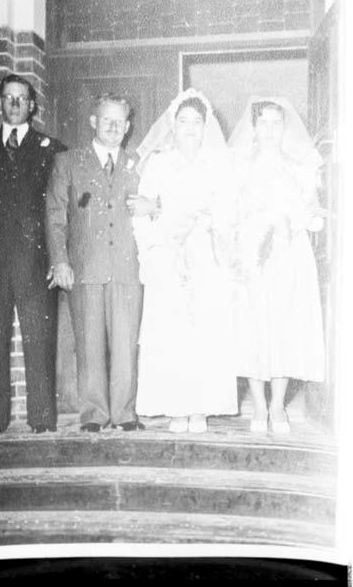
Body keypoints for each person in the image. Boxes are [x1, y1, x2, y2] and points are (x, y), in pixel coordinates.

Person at [0, 73, 66, 437]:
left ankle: (42, 420)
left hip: (37, 263)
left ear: (32, 104)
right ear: (0, 102)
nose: (15, 104)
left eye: (22, 98)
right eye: (9, 98)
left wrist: (58, 257)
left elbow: (58, 209)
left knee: (39, 340)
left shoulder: (51, 148)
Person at [131, 88, 239, 434]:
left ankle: (201, 409)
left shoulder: (218, 165)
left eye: (196, 121)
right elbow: (140, 211)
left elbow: (227, 212)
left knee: (204, 330)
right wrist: (153, 248)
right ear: (172, 126)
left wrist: (217, 238)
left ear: (205, 126)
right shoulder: (160, 163)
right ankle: (177, 407)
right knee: (172, 331)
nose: (190, 127)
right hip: (169, 254)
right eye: (183, 121)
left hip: (206, 254)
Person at [45, 93, 145, 433]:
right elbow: (56, 216)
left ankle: (124, 412)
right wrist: (60, 261)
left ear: (128, 126)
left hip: (127, 269)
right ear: (93, 122)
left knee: (125, 343)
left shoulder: (138, 163)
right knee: (89, 344)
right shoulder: (68, 161)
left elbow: (154, 210)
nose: (114, 127)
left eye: (120, 122)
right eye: (107, 120)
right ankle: (93, 414)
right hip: (85, 268)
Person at [228, 97, 325, 434]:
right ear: (253, 127)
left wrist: (307, 218)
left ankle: (277, 405)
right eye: (263, 122)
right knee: (254, 328)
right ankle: (258, 405)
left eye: (276, 123)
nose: (269, 129)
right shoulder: (239, 166)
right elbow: (229, 213)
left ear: (285, 128)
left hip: (287, 254)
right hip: (252, 256)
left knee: (283, 326)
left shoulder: (298, 167)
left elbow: (310, 210)